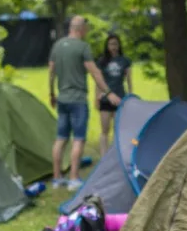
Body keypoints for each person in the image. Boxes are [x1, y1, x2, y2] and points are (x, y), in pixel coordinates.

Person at [48, 16, 118, 190]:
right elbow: (95, 72)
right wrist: (108, 92)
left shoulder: (57, 46)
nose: (87, 31)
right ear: (80, 29)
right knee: (78, 139)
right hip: (78, 100)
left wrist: (52, 93)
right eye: (86, 28)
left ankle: (57, 178)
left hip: (62, 99)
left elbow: (51, 71)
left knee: (61, 138)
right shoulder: (83, 47)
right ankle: (73, 178)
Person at [95, 33, 133, 156]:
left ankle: (117, 155)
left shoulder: (125, 61)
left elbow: (129, 80)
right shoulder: (102, 61)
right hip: (105, 99)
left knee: (118, 130)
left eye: (115, 44)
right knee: (105, 130)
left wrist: (130, 96)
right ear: (107, 46)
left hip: (120, 98)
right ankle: (104, 156)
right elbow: (98, 81)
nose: (113, 47)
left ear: (119, 45)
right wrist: (96, 97)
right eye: (111, 44)